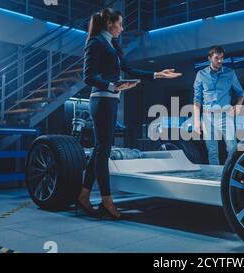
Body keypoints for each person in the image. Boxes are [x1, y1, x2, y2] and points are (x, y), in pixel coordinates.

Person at [78, 8, 182, 219]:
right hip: (101, 100)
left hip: (110, 100)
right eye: (120, 24)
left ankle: (83, 195)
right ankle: (106, 200)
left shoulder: (112, 45)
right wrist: (112, 86)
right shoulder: (95, 42)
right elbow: (87, 76)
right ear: (109, 24)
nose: (123, 28)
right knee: (103, 151)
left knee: (100, 150)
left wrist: (157, 74)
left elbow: (129, 69)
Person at [193, 46, 244, 165]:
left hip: (225, 115)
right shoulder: (201, 75)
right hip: (207, 117)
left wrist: (238, 105)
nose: (220, 61)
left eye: (222, 58)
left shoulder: (230, 73)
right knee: (212, 151)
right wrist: (196, 120)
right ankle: (215, 178)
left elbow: (241, 93)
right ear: (209, 58)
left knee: (232, 147)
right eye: (217, 58)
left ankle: (232, 173)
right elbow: (197, 100)